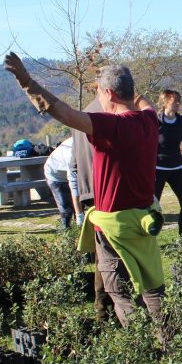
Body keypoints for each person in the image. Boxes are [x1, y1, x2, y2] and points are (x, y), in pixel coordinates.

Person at [4, 53, 165, 327]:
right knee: (152, 288)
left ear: (108, 93)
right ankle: (168, 341)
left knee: (119, 292)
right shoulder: (149, 121)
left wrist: (26, 80)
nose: (98, 101)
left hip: (114, 227)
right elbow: (142, 101)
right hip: (144, 223)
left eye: (100, 94)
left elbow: (62, 112)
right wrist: (126, 86)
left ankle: (141, 349)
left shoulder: (110, 126)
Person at [72, 98, 112, 319]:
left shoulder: (82, 114)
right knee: (109, 252)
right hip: (107, 190)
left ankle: (103, 304)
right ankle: (105, 305)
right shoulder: (109, 115)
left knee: (102, 251)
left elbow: (74, 163)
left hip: (90, 190)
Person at [155, 89, 182, 232]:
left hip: (177, 168)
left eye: (179, 100)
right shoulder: (155, 120)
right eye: (175, 101)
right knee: (152, 205)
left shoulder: (181, 120)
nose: (178, 104)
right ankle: (149, 235)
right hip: (158, 169)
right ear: (165, 102)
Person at [44, 137, 81, 229]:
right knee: (66, 208)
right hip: (56, 176)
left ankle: (81, 231)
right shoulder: (71, 151)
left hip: (70, 173)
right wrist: (79, 214)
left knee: (82, 203)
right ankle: (65, 232)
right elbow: (73, 182)